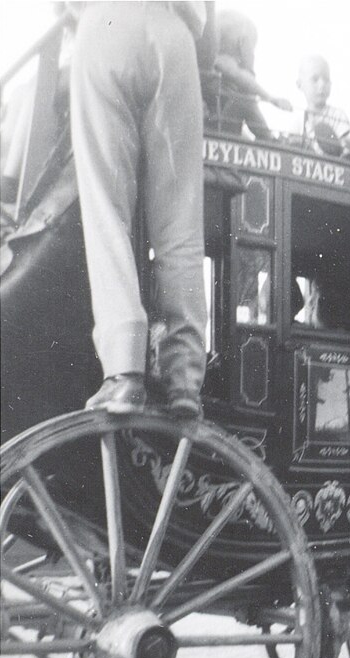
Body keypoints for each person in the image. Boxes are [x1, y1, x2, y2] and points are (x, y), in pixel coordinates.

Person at [70, 2, 214, 415]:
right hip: (175, 33)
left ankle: (123, 371)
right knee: (181, 224)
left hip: (104, 22)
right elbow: (211, 33)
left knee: (107, 212)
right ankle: (185, 380)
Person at [212, 9, 292, 139]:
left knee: (243, 99)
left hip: (220, 122)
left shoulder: (214, 60)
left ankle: (267, 139)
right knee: (244, 99)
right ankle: (269, 140)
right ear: (243, 42)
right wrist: (271, 98)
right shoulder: (222, 60)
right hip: (216, 122)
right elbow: (240, 76)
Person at [291, 54, 350, 154]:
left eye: (326, 80)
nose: (322, 85)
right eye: (315, 80)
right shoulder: (298, 119)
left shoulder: (337, 115)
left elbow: (345, 145)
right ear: (299, 85)